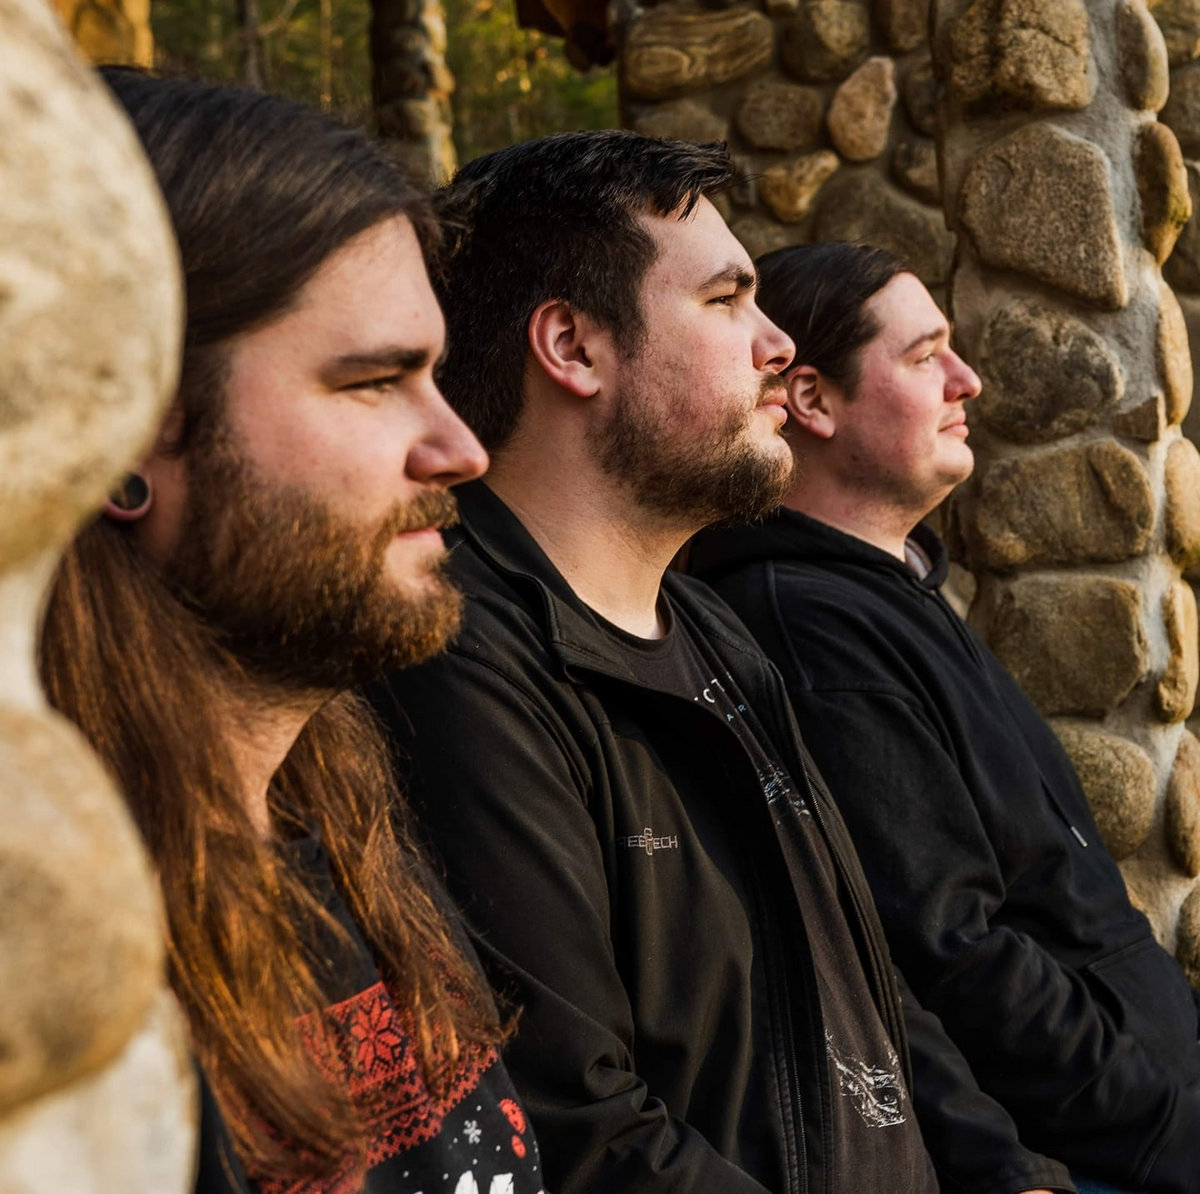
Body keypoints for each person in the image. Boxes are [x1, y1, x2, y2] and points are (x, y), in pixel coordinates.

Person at [371, 131, 1071, 1194]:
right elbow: (585, 1132)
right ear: (573, 347)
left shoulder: (714, 632)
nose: (777, 345)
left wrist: (1012, 1174)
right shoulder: (464, 660)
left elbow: (862, 988)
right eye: (727, 300)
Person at [39, 71, 546, 1194]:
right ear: (122, 435)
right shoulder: (60, 973)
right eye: (374, 381)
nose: (461, 449)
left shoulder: (340, 818)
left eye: (435, 375)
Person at [688, 241, 1200, 1194]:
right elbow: (950, 953)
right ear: (812, 401)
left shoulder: (888, 588)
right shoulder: (810, 628)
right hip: (1099, 1158)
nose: (968, 381)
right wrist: (1165, 1129)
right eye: (926, 356)